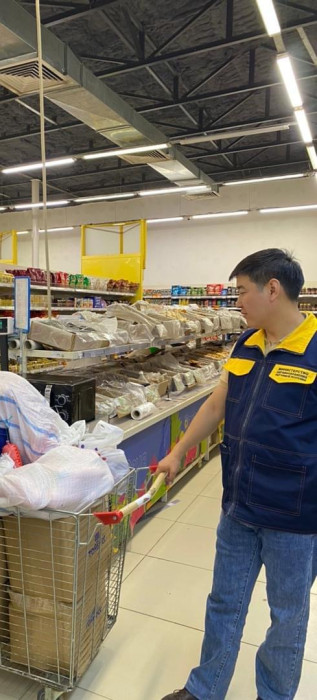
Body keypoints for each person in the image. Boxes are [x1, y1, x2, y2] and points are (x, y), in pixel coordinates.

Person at [158, 249, 317, 700]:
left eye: (242, 291)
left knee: (287, 615)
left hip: (295, 515)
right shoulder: (245, 344)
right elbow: (217, 405)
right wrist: (177, 453)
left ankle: (275, 694)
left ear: (273, 289)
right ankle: (205, 689)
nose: (237, 302)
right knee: (224, 602)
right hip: (239, 503)